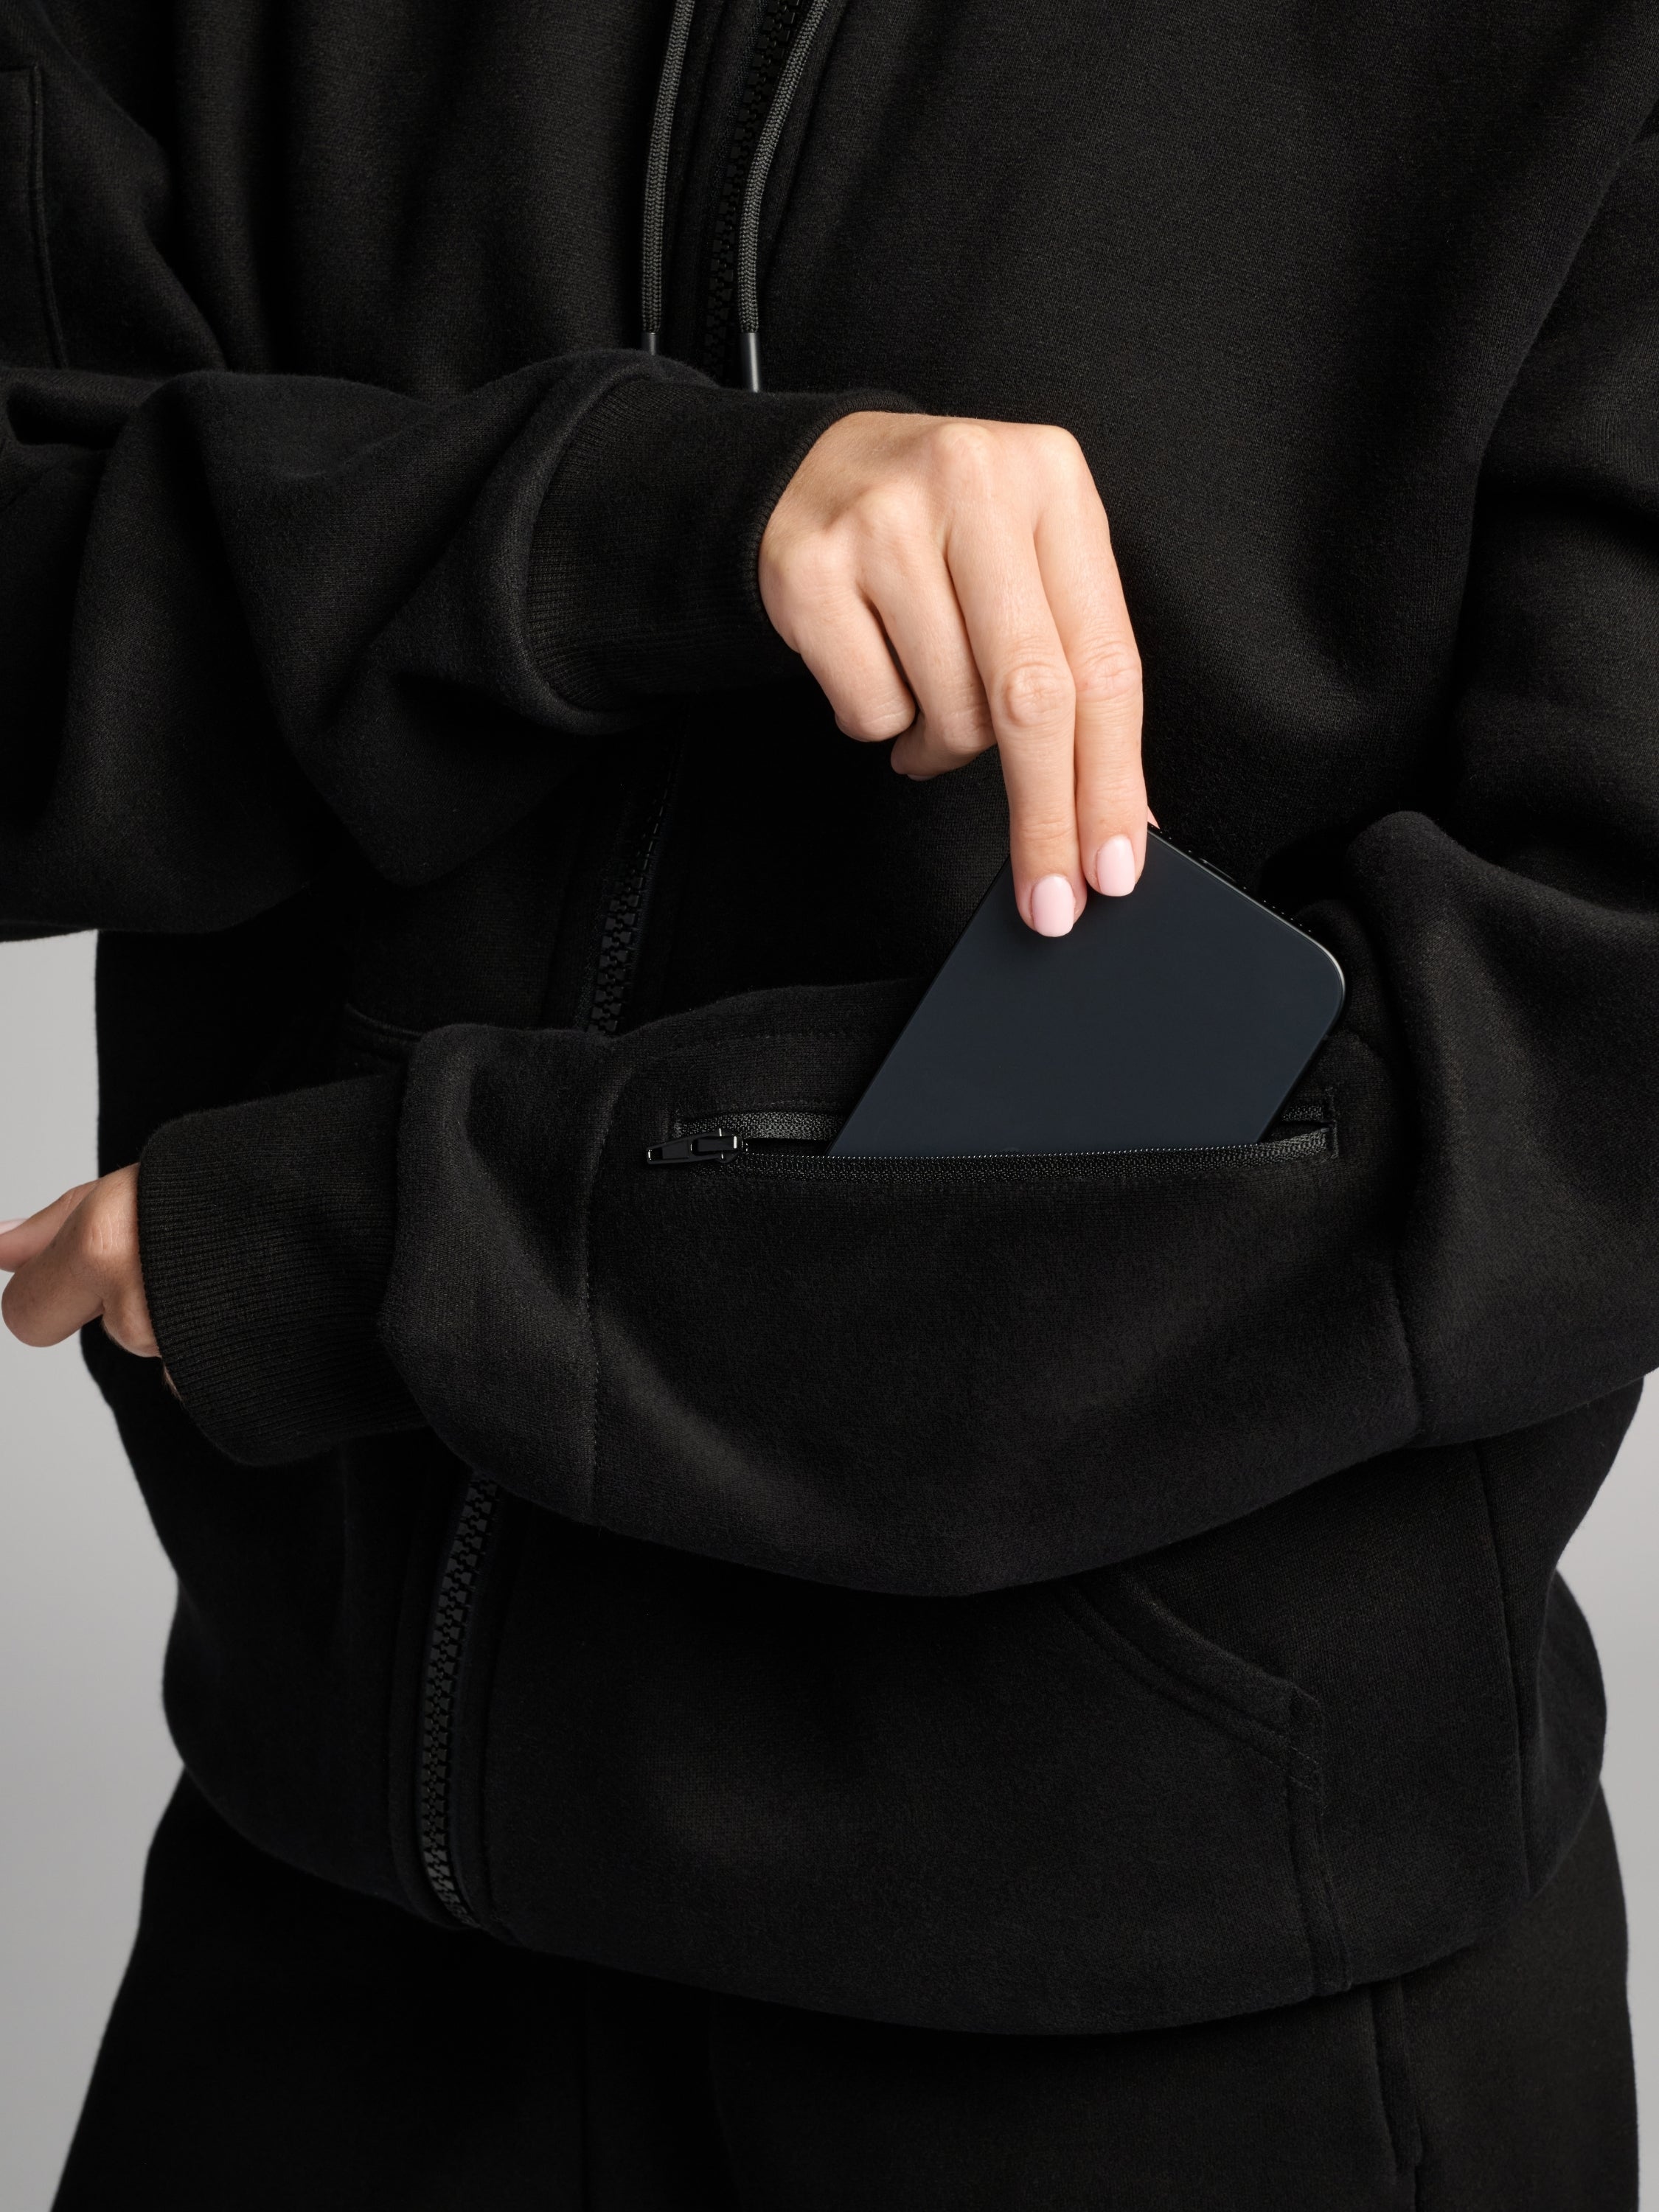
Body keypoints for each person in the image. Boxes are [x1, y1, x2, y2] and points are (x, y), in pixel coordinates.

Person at [0, 0, 1653, 2201]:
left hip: (1187, 2027)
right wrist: (622, 527)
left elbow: (1574, 1078)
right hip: (329, 1952)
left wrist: (422, 1239)